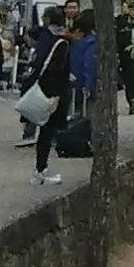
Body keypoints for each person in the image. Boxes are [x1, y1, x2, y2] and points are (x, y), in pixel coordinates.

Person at [29, 9, 85, 179]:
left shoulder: (45, 38)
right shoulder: (62, 43)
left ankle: (41, 169)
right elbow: (56, 70)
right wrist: (56, 95)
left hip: (42, 88)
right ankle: (41, 171)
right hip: (54, 91)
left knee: (45, 130)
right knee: (48, 130)